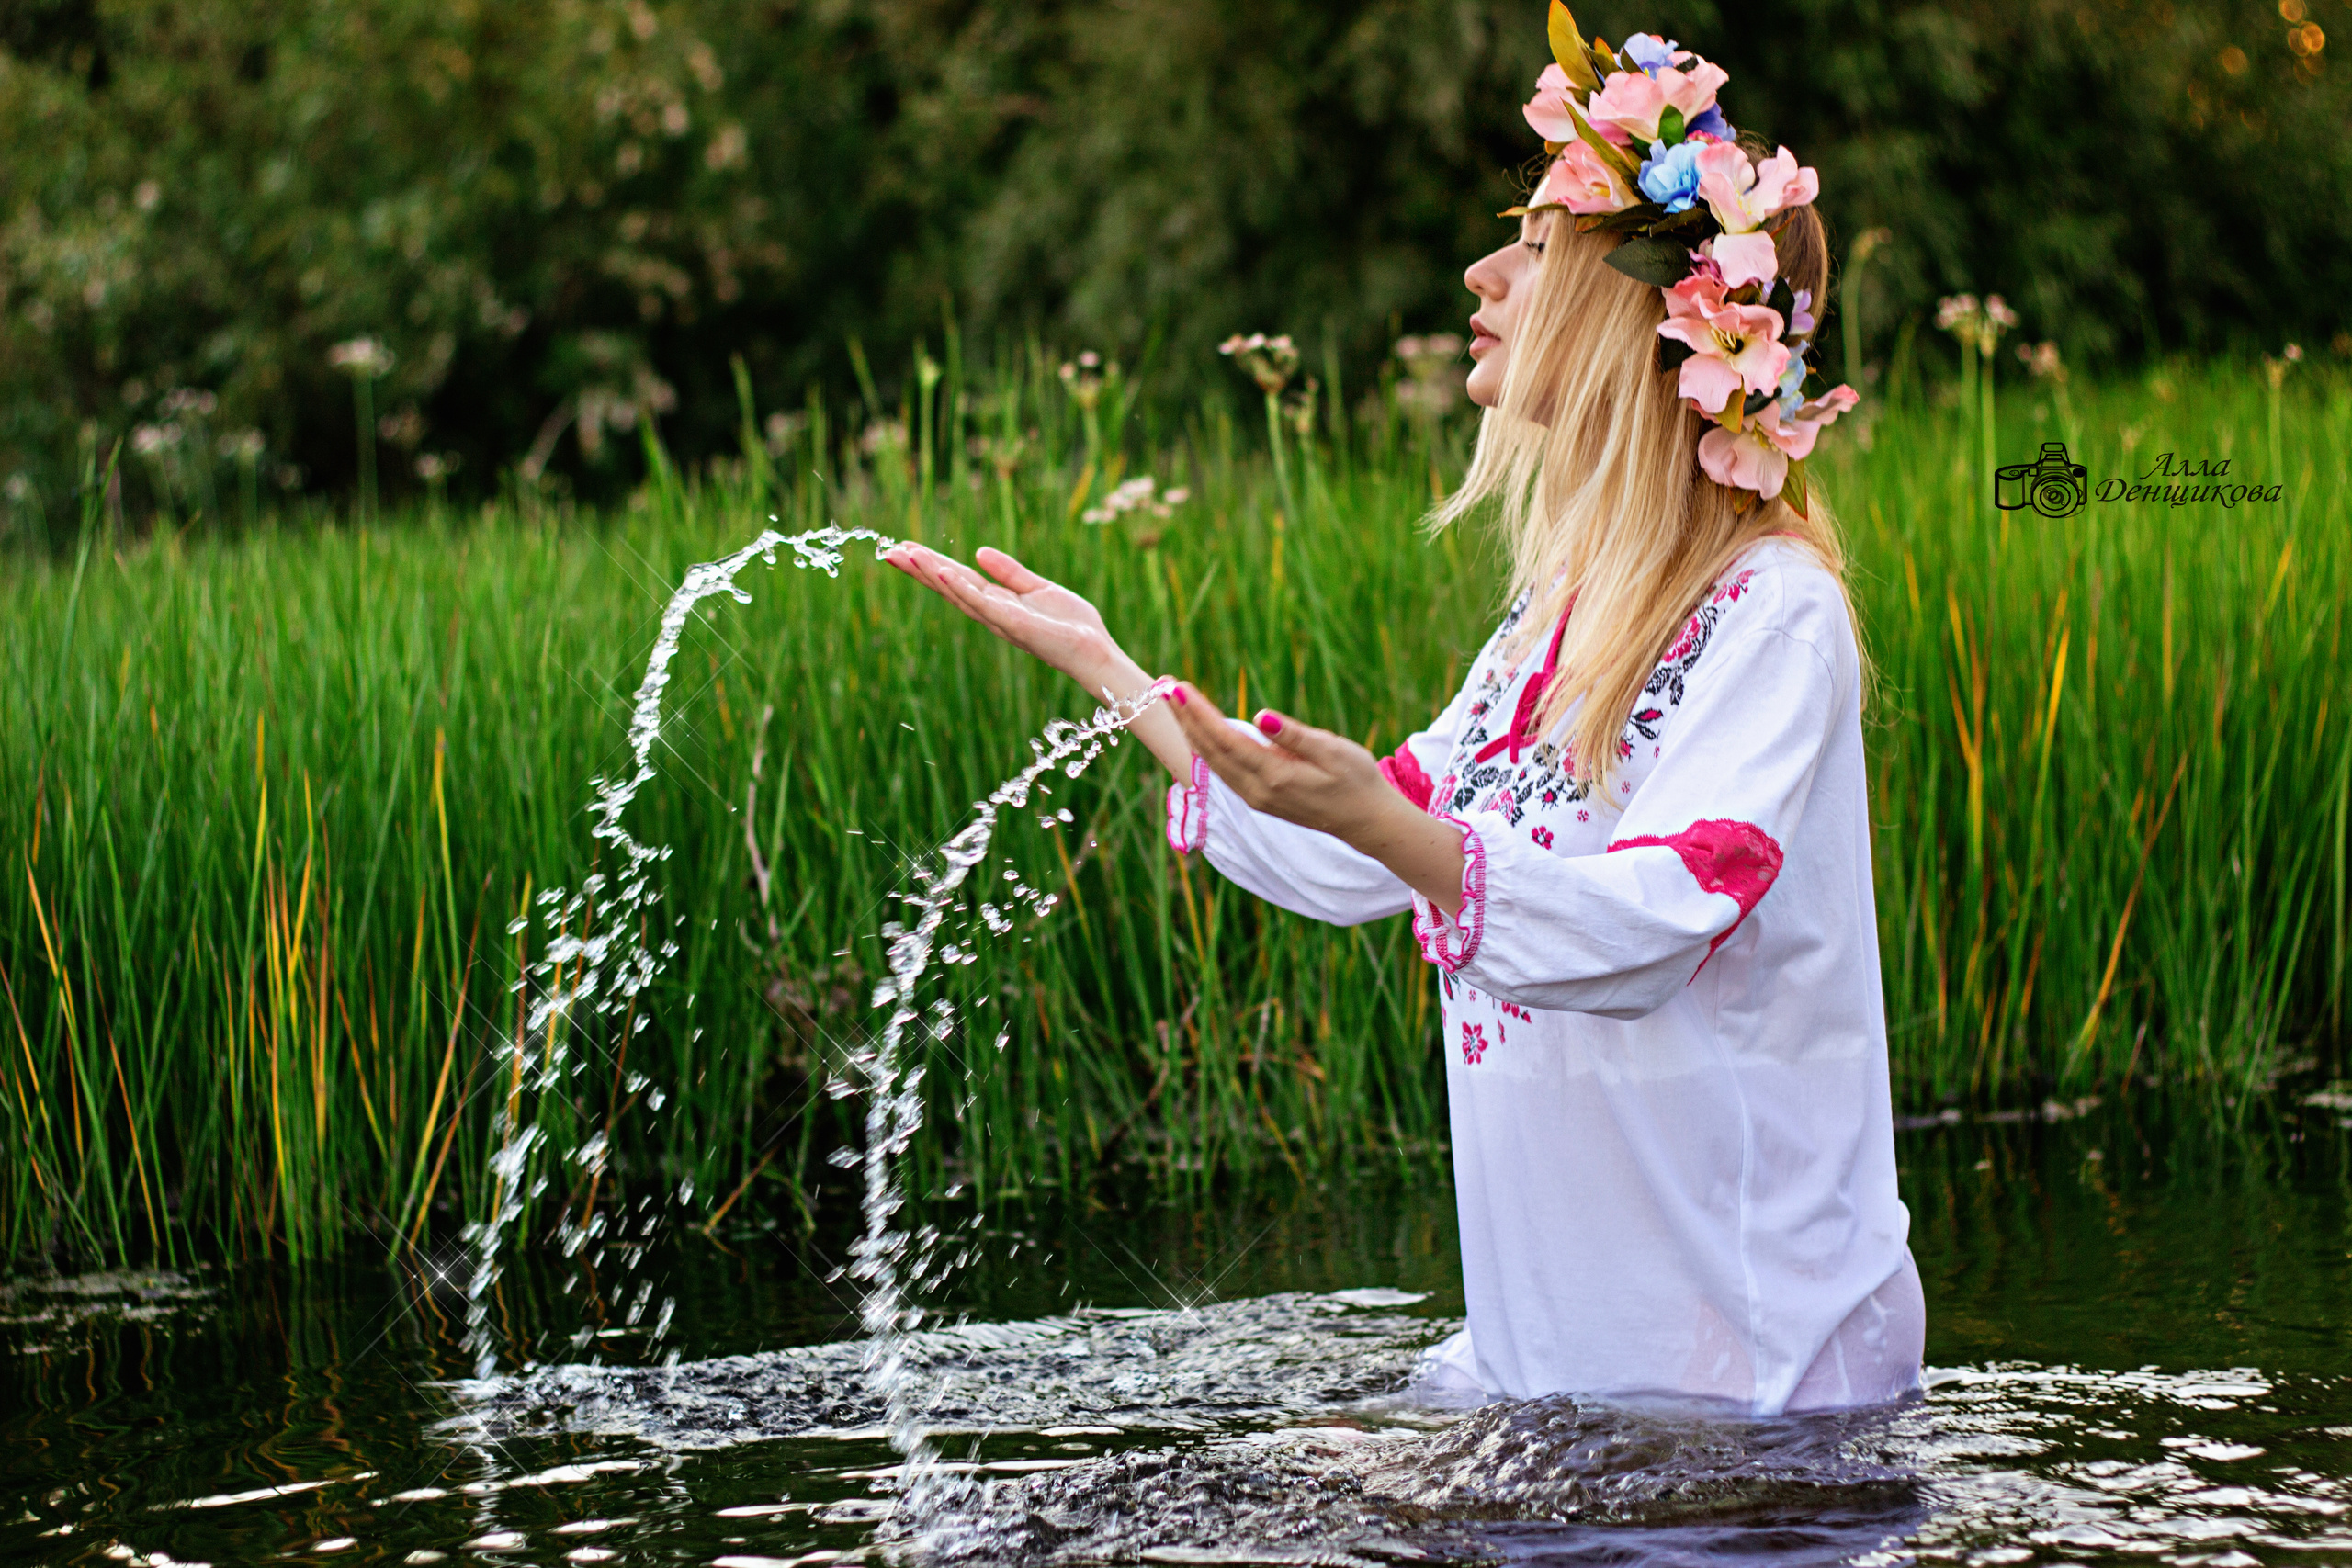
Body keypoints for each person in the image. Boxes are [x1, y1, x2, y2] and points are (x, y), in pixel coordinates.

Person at [883, 14, 1921, 1417]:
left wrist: (1395, 827)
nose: (1487, 276)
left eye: (1538, 251)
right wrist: (1117, 677)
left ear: (1645, 317)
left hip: (1751, 1387)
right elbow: (1365, 845)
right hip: (1548, 1375)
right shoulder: (1553, 617)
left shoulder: (1774, 610)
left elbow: (1667, 912)